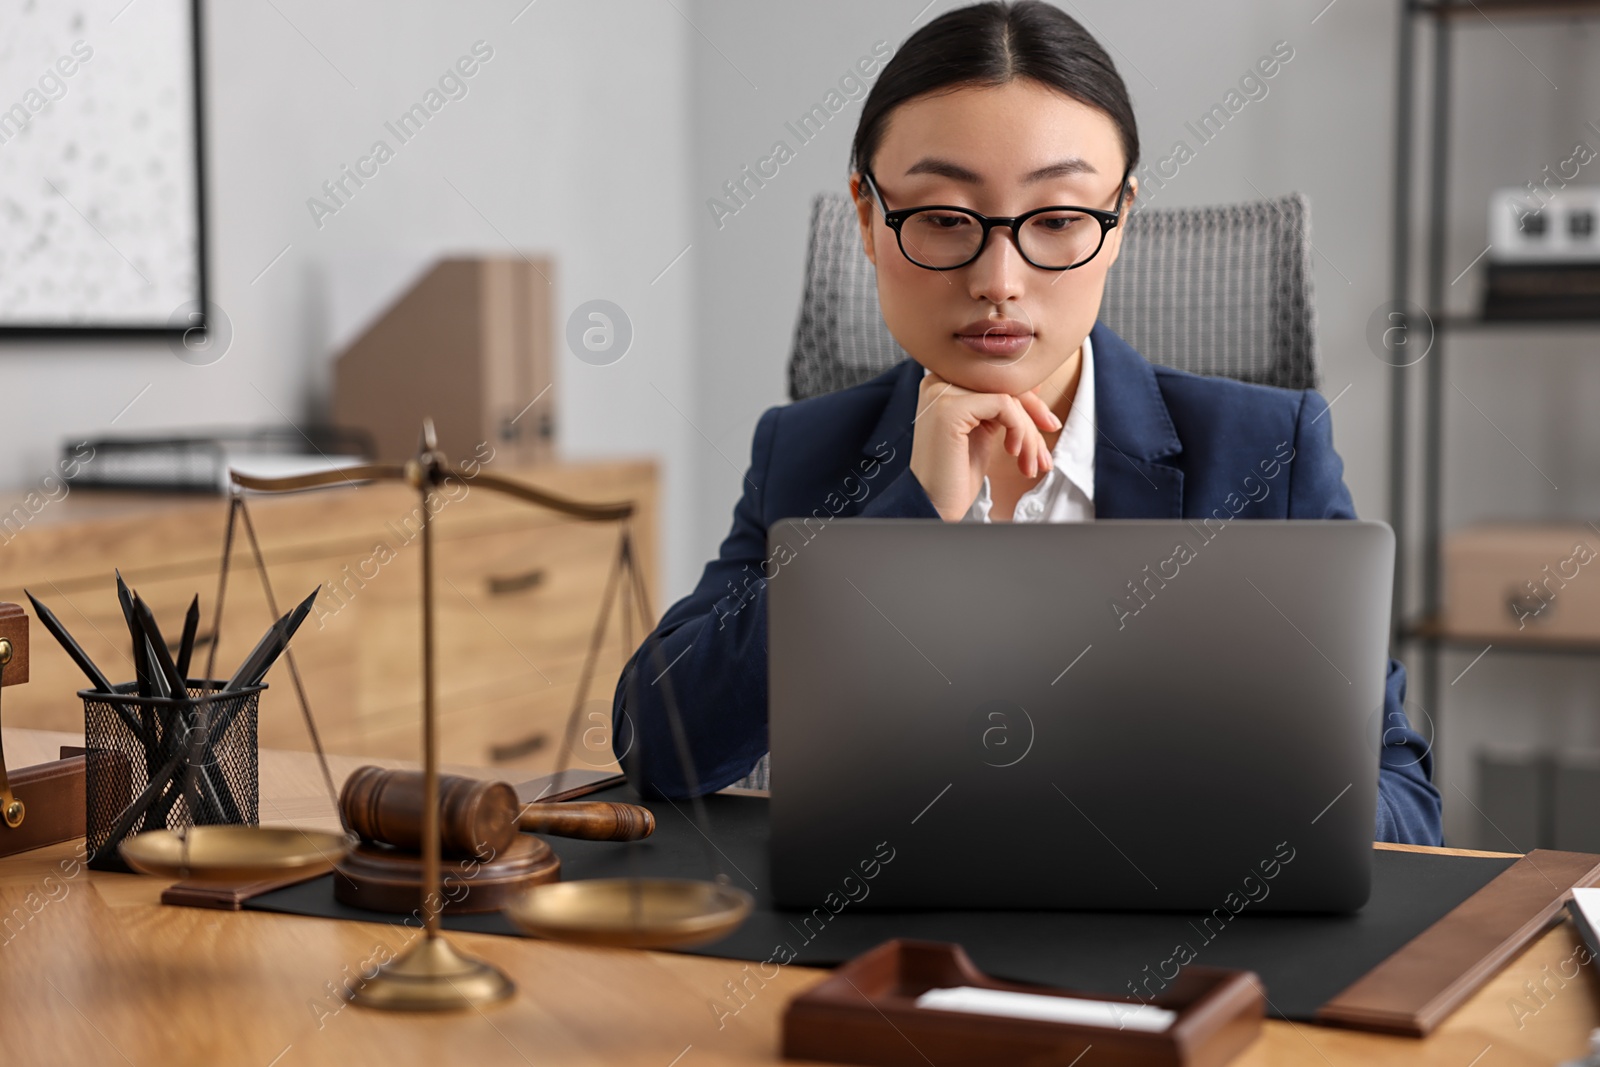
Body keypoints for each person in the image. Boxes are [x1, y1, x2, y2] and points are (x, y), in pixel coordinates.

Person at [611, 0, 1442, 846]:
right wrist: (902, 521)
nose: (999, 279)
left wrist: (1222, 803)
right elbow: (659, 745)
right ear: (867, 216)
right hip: (885, 955)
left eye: (1056, 220)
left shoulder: (1271, 454)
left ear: (1117, 221)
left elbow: (1407, 808)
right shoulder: (807, 451)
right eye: (941, 219)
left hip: (1177, 963)